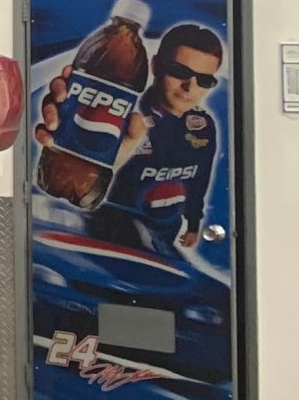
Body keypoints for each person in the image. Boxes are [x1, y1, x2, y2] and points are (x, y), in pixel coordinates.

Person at [36, 21, 225, 258]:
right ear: (156, 66)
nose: (190, 87)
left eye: (205, 80)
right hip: (104, 242)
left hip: (162, 244)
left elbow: (200, 179)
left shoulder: (204, 127)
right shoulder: (117, 111)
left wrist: (194, 223)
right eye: (180, 72)